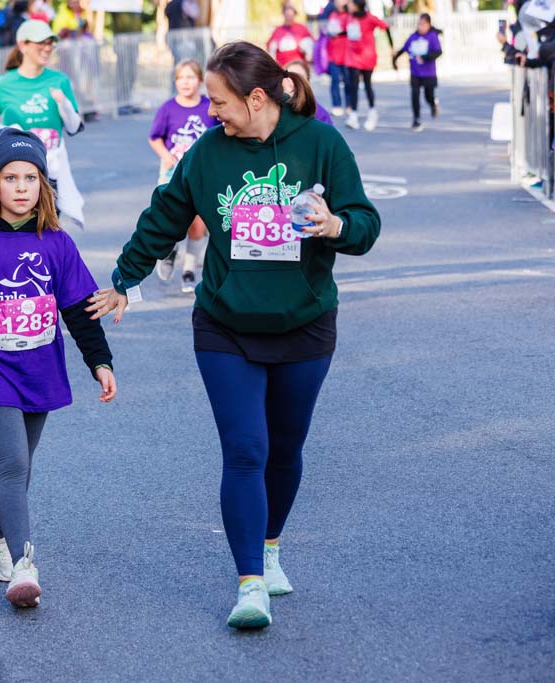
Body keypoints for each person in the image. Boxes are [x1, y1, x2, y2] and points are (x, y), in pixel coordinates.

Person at [87, 41, 380, 630]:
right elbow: (165, 215)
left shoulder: (321, 143)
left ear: (256, 96)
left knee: (285, 447)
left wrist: (333, 223)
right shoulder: (208, 153)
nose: (212, 112)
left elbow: (365, 223)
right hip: (224, 324)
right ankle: (250, 584)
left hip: (305, 322)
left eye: (220, 101)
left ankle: (269, 548)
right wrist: (125, 280)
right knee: (246, 449)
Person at [0, 127, 116, 609]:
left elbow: (79, 309)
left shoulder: (56, 243)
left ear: (44, 184)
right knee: (13, 462)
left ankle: (1, 541)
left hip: (39, 367)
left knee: (21, 464)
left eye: (30, 177)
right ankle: (23, 563)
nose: (21, 187)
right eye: (11, 177)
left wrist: (99, 361)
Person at [0, 20, 87, 229]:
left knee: (45, 231)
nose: (47, 48)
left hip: (50, 172)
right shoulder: (4, 84)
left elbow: (74, 127)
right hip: (15, 173)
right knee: (15, 229)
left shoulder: (59, 80)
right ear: (23, 45)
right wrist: (9, 135)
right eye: (41, 42)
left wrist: (63, 104)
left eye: (50, 43)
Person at [149, 59, 218, 293]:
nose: (186, 82)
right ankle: (169, 251)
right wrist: (165, 154)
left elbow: (222, 135)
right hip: (172, 172)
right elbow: (155, 137)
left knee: (197, 224)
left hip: (201, 175)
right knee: (172, 219)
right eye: (181, 78)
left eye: (191, 77)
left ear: (200, 81)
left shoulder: (210, 108)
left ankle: (189, 270)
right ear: (175, 81)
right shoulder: (168, 109)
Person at [343, 0, 392, 131]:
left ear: (357, 5)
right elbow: (347, 32)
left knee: (367, 85)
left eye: (350, 4)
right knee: (353, 86)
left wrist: (391, 47)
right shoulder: (349, 17)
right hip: (353, 57)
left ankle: (372, 111)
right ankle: (353, 115)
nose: (348, 6)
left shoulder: (370, 18)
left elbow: (385, 27)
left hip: (367, 56)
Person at [393, 13, 442, 132]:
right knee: (415, 95)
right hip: (415, 72)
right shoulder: (413, 37)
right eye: (419, 24)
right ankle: (416, 119)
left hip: (429, 73)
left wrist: (425, 57)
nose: (420, 27)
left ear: (428, 24)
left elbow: (438, 52)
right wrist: (394, 59)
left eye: (423, 24)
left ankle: (433, 104)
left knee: (428, 96)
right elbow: (404, 49)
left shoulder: (432, 36)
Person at [284, 58, 334, 126]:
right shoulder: (273, 107)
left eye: (300, 77)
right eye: (289, 75)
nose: (294, 80)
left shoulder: (319, 114)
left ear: (307, 83)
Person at [267, 3, 315, 68]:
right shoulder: (278, 30)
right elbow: (270, 46)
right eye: (287, 15)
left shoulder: (301, 28)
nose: (289, 17)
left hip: (297, 63)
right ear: (284, 14)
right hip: (282, 65)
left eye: (291, 15)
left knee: (306, 42)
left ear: (294, 14)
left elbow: (312, 43)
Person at [324, 0, 350, 116]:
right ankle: (336, 105)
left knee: (348, 81)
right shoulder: (332, 15)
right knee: (334, 80)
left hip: (347, 54)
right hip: (333, 54)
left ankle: (349, 105)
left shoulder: (350, 16)